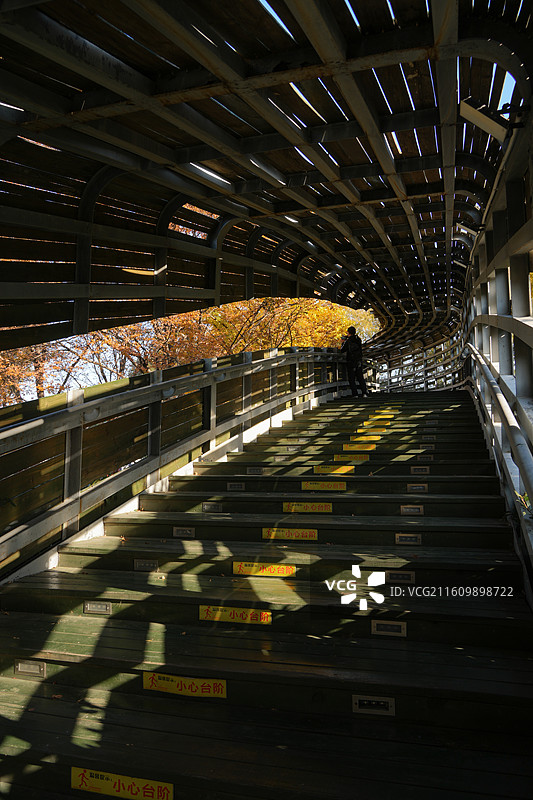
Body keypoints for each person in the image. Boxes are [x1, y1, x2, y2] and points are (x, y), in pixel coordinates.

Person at [340, 327, 368, 398]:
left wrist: (343, 342)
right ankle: (364, 393)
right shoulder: (358, 339)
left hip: (350, 361)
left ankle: (355, 394)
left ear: (348, 333)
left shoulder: (348, 341)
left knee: (351, 378)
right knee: (360, 377)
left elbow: (342, 350)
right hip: (358, 360)